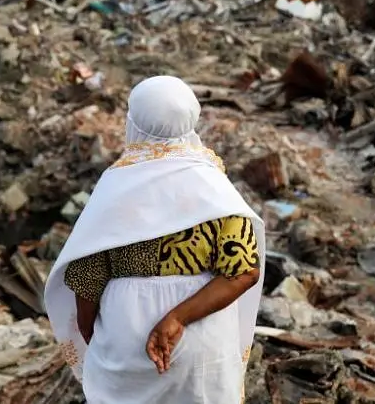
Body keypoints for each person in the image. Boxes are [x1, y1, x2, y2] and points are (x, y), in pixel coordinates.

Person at [43, 75, 265, 404]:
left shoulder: (117, 186)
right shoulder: (214, 189)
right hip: (202, 347)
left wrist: (101, 339)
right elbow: (243, 271)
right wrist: (177, 319)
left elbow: (88, 278)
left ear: (133, 121)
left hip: (127, 342)